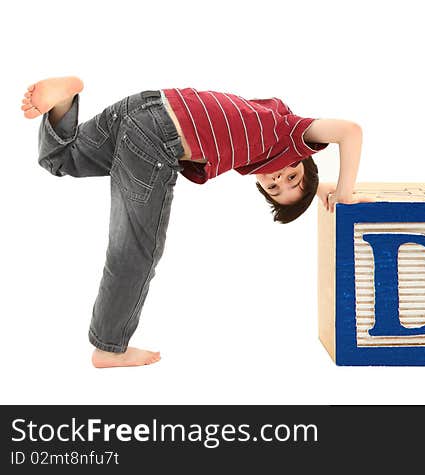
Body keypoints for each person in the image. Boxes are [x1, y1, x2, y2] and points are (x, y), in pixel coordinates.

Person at [21, 76, 370, 368]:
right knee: (137, 249)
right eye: (292, 176)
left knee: (61, 158)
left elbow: (279, 167)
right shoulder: (291, 131)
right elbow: (350, 131)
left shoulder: (264, 134)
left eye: (275, 187)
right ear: (304, 157)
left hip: (147, 106)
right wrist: (344, 193)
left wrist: (314, 189)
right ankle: (109, 348)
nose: (279, 178)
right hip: (158, 137)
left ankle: (63, 102)